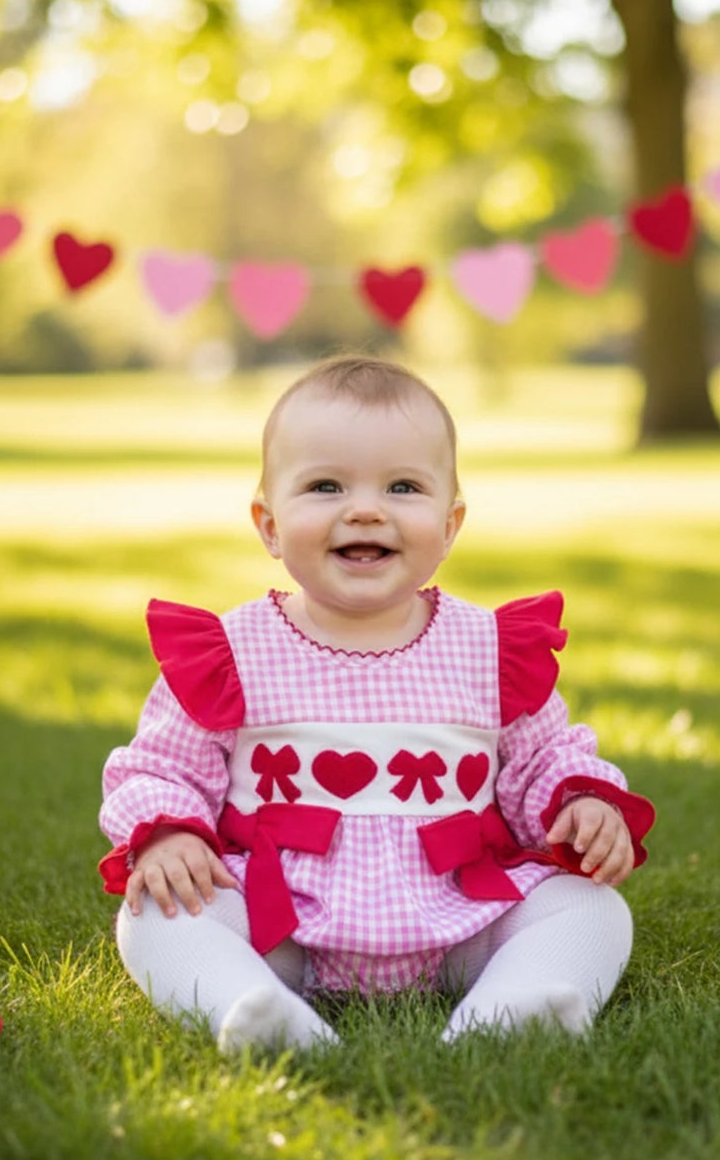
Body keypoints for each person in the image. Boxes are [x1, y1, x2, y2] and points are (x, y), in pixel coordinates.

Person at [99, 354, 654, 1052]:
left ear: (449, 524)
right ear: (268, 524)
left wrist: (579, 804)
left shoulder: (488, 648)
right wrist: (170, 832)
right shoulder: (230, 652)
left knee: (590, 908)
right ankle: (252, 1006)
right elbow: (158, 766)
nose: (365, 508)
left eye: (402, 486)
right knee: (156, 915)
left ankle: (513, 1008)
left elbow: (543, 756)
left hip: (461, 908)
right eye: (326, 485)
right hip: (281, 918)